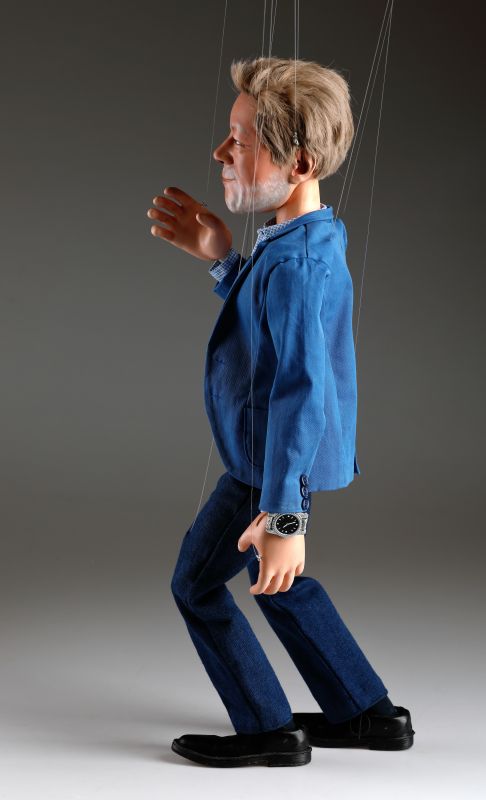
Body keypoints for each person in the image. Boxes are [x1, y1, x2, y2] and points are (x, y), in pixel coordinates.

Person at [147, 56, 414, 768]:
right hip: (271, 459)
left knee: (196, 583)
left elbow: (301, 388)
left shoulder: (297, 263)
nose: (220, 152)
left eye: (240, 140)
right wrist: (221, 259)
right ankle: (367, 712)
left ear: (298, 162)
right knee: (276, 583)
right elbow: (272, 323)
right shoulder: (308, 238)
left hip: (268, 463)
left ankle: (267, 729)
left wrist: (286, 516)